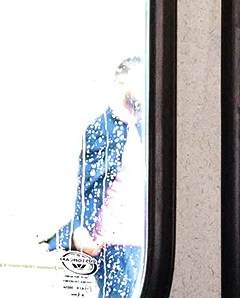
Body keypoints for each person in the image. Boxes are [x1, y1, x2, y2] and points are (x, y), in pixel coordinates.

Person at [68, 57, 147, 298]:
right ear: (121, 83)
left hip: (143, 240)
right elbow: (89, 184)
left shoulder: (147, 128)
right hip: (115, 241)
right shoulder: (103, 128)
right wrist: (81, 227)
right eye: (139, 79)